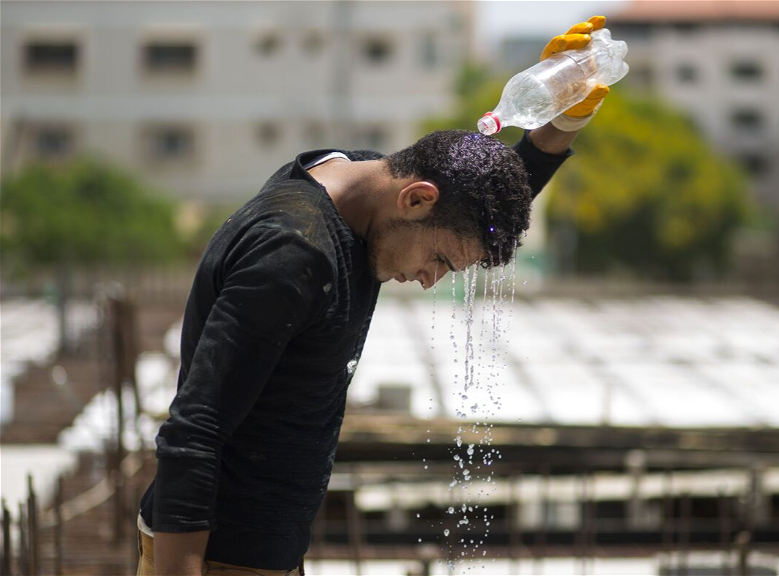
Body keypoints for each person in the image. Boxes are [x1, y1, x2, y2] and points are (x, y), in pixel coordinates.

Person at [137, 17, 610, 576]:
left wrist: (565, 120)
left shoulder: (359, 186)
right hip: (217, 553)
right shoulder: (294, 255)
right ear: (415, 200)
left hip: (265, 549)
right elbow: (195, 431)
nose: (431, 279)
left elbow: (469, 204)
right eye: (440, 261)